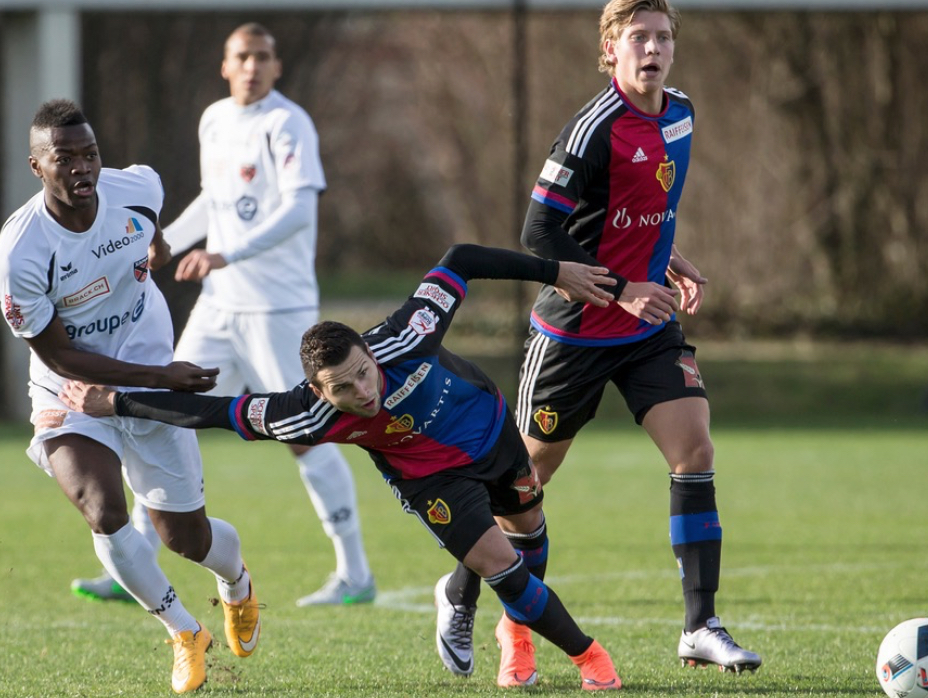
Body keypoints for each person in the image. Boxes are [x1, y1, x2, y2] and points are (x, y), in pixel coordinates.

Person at [62, 243, 626, 691]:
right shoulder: (304, 415)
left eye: (363, 372)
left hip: (490, 429)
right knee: (502, 563)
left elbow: (461, 259)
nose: (364, 391)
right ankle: (590, 659)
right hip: (430, 480)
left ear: (370, 352)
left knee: (530, 538)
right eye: (343, 388)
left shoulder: (409, 333)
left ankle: (478, 610)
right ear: (318, 391)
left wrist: (556, 271)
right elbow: (213, 412)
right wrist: (118, 402)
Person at [491, 0, 760, 675]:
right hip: (575, 332)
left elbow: (643, 208)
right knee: (523, 484)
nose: (653, 49)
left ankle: (701, 626)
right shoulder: (592, 128)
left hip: (647, 327)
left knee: (694, 448)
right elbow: (539, 232)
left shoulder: (681, 113)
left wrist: (669, 259)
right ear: (610, 48)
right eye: (638, 37)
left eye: (663, 37)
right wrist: (623, 287)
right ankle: (496, 611)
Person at [71, 22, 376, 609]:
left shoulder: (288, 122)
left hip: (277, 308)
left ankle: (355, 574)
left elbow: (298, 209)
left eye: (263, 57)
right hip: (219, 306)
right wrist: (163, 240)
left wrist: (223, 254)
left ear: (276, 66)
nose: (253, 66)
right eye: (243, 56)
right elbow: (214, 200)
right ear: (225, 65)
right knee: (160, 412)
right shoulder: (214, 119)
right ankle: (135, 562)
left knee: (305, 433)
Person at [0, 98, 255, 695]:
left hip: (149, 366)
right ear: (36, 166)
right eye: (64, 158)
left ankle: (237, 584)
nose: (82, 168)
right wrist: (162, 378)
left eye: (90, 154)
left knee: (185, 538)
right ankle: (184, 631)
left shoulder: (136, 188)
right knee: (102, 511)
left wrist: (153, 254)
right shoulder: (19, 256)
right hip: (71, 386)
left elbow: (150, 230)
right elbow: (59, 356)